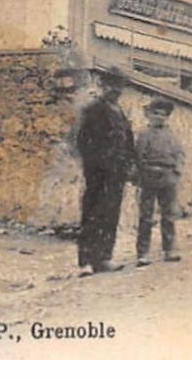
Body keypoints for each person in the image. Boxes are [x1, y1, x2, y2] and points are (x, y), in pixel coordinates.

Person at [74, 73, 135, 275]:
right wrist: (94, 165)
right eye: (111, 85)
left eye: (119, 86)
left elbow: (128, 142)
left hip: (117, 173)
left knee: (111, 214)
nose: (115, 90)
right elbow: (83, 141)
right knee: (92, 214)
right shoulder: (93, 110)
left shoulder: (121, 113)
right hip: (98, 173)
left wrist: (129, 165)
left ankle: (104, 258)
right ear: (102, 85)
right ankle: (86, 262)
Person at [134, 98, 184, 265]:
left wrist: (177, 170)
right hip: (149, 176)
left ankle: (168, 250)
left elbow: (179, 155)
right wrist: (145, 172)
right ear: (149, 115)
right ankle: (143, 253)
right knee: (146, 216)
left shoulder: (172, 135)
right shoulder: (143, 134)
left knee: (169, 215)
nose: (159, 118)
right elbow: (139, 157)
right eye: (156, 114)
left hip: (168, 176)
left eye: (163, 115)